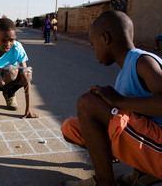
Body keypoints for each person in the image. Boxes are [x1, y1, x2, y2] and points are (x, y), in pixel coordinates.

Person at [60, 10, 162, 186]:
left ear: (105, 38)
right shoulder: (125, 71)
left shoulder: (142, 61)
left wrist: (118, 101)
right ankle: (143, 172)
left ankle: (104, 182)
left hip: (158, 148)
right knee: (72, 127)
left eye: (93, 44)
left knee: (86, 104)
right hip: (146, 142)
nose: (94, 50)